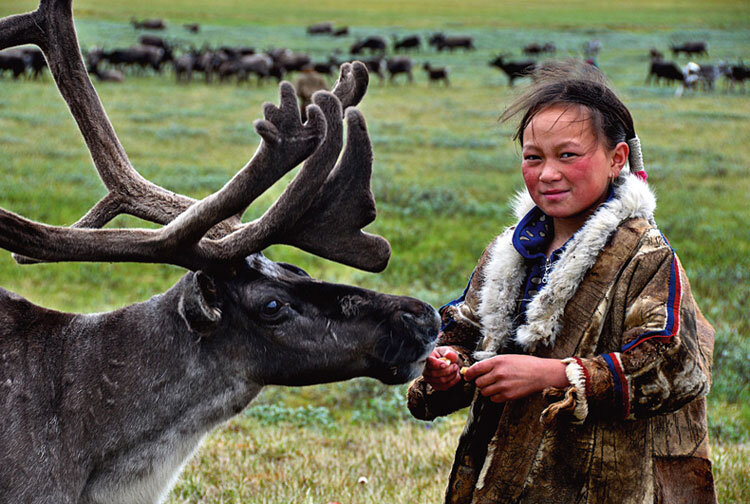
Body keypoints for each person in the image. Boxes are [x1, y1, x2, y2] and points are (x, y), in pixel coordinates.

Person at [407, 62, 716, 504]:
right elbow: (467, 329)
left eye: (567, 155)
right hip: (505, 474)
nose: (547, 173)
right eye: (533, 157)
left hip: (605, 480)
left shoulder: (645, 255)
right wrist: (448, 365)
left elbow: (675, 367)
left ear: (617, 159)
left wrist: (553, 375)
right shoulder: (510, 251)